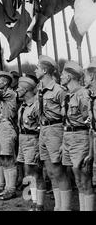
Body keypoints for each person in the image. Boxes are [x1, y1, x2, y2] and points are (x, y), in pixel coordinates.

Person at [35, 55, 70, 211]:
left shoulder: (59, 90)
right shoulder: (40, 90)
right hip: (43, 130)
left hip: (55, 130)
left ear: (44, 70)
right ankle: (58, 206)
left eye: (37, 68)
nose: (35, 71)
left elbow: (68, 116)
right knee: (50, 171)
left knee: (59, 171)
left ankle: (65, 207)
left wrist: (64, 138)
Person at [60, 61, 94, 211]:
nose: (60, 77)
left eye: (62, 75)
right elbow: (65, 121)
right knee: (77, 179)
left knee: (84, 178)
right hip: (69, 137)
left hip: (80, 138)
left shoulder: (82, 95)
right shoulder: (68, 95)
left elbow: (90, 122)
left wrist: (91, 149)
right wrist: (63, 142)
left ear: (69, 76)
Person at [15, 75, 45, 211]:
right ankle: (33, 201)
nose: (17, 90)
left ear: (26, 89)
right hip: (23, 139)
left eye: (20, 87)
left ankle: (39, 204)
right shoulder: (23, 105)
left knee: (35, 172)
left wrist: (40, 146)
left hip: (33, 139)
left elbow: (42, 125)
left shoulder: (36, 105)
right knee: (28, 172)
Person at [0, 71, 18, 200]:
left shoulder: (10, 93)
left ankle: (11, 189)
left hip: (7, 125)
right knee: (2, 158)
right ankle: (6, 187)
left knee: (8, 158)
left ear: (6, 82)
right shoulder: (2, 95)